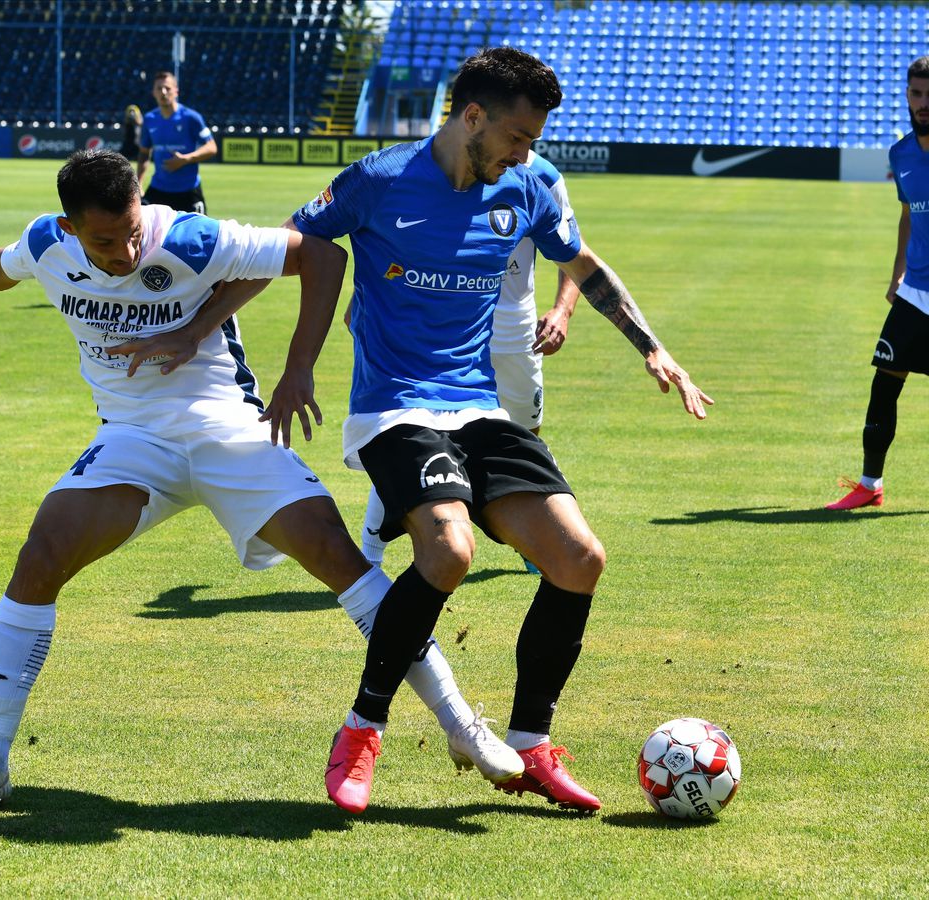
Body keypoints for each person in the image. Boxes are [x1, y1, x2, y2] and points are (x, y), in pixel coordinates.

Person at [0, 149, 523, 817]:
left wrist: (293, 371)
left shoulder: (190, 238)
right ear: (68, 228)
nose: (125, 250)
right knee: (40, 557)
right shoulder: (44, 244)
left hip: (227, 427)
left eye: (131, 228)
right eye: (104, 241)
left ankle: (462, 724)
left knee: (338, 558)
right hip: (132, 439)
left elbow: (320, 257)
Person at [288, 47, 712, 815]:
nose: (528, 152)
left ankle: (528, 743)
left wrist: (654, 347)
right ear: (471, 116)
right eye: (518, 136)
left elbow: (582, 265)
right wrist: (223, 336)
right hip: (396, 407)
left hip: (479, 408)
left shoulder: (529, 185)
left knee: (580, 557)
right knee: (450, 550)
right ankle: (362, 727)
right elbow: (290, 245)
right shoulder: (379, 180)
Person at [358, 147, 580, 571]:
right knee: (415, 427)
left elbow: (573, 250)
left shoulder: (544, 177)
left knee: (524, 432)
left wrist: (562, 310)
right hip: (447, 324)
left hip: (516, 331)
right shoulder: (442, 166)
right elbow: (399, 243)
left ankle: (528, 535)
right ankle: (371, 548)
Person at [827, 55, 929, 511]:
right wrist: (898, 275)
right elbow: (908, 215)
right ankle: (870, 485)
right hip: (914, 293)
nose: (924, 103)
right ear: (907, 96)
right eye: (917, 94)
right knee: (885, 383)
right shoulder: (901, 153)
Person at [136, 71, 217, 214]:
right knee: (141, 230)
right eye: (159, 89)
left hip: (188, 190)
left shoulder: (191, 118)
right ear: (153, 93)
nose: (163, 92)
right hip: (158, 189)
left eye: (167, 88)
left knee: (200, 234)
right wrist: (138, 183)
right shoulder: (149, 119)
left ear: (176, 91)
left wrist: (185, 159)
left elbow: (211, 147)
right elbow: (144, 154)